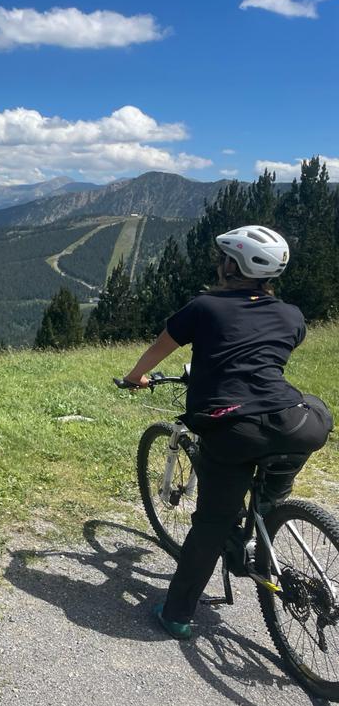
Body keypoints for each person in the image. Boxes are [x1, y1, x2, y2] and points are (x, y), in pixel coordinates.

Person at [121, 225, 333, 639]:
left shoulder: (203, 308)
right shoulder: (291, 315)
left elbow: (160, 349)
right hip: (296, 424)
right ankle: (272, 501)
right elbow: (263, 349)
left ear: (231, 266)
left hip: (234, 428)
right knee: (311, 414)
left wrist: (134, 378)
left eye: (224, 259)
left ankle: (177, 614)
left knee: (211, 523)